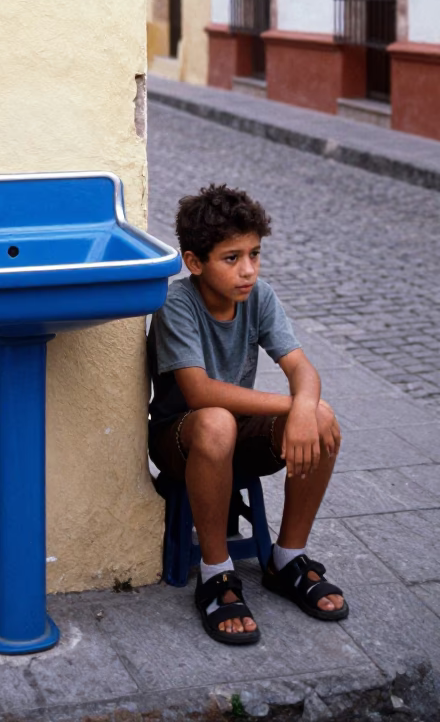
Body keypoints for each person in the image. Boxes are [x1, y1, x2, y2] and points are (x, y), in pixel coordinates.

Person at [148, 183, 347, 645]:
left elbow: (300, 367)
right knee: (219, 419)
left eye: (255, 254)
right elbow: (198, 392)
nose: (249, 271)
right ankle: (216, 575)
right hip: (182, 437)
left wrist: (307, 409)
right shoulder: (178, 303)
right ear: (195, 262)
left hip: (237, 433)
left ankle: (286, 558)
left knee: (323, 417)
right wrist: (295, 405)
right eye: (232, 258)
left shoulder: (259, 297)